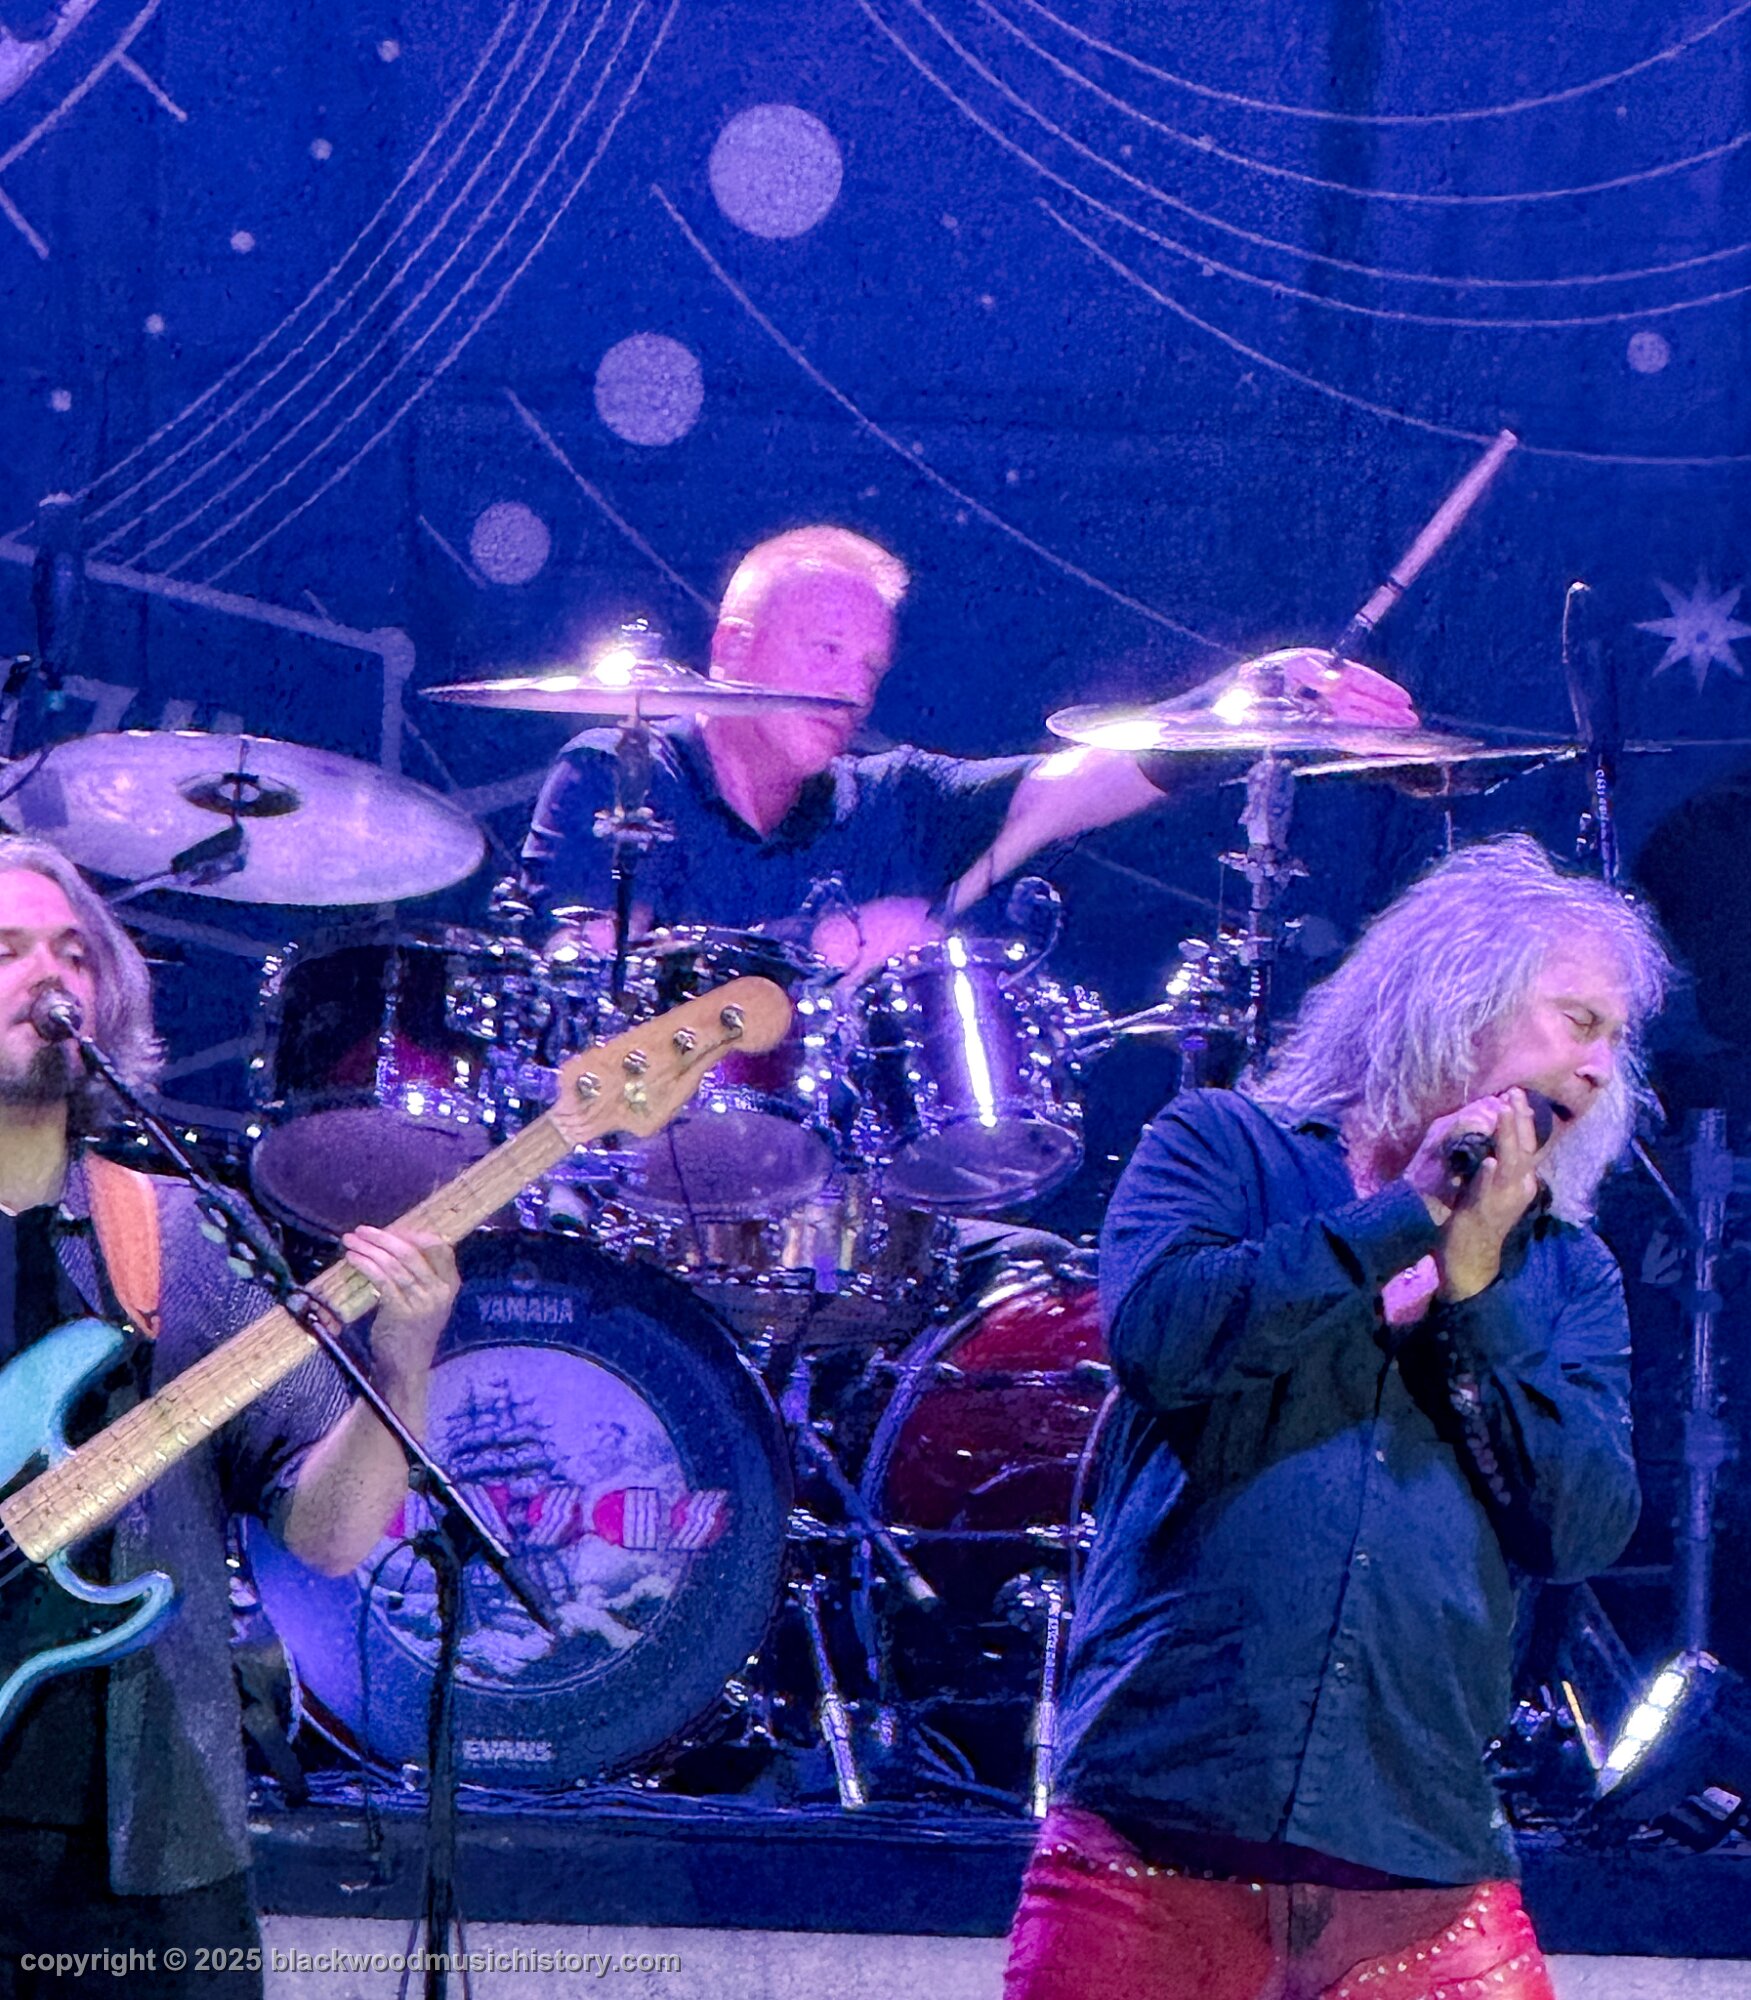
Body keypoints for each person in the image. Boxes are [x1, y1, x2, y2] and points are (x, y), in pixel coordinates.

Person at [1006, 836, 1670, 2000]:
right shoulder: (1222, 1147)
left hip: (1425, 1878)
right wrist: (1406, 1211)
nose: (1599, 1064)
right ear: (1460, 994)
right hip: (1155, 1849)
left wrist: (1472, 1297)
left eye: (1614, 1037)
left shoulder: (1567, 1271)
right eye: (1577, 1020)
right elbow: (1163, 1339)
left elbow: (1579, 1525)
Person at [0, 839, 462, 1999]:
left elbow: (329, 1532)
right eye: (5, 949)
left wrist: (402, 1362)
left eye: (71, 952)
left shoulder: (181, 1236)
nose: (48, 974)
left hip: (148, 1844)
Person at [522, 526, 1418, 981]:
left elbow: (1083, 778)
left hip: (833, 1208)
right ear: (732, 648)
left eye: (869, 666)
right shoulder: (619, 773)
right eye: (825, 651)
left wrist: (1245, 696)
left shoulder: (897, 798)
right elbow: (589, 1001)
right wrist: (809, 950)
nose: (850, 690)